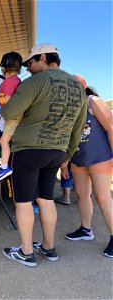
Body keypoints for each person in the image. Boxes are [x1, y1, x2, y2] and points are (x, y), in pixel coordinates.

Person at [0, 43, 87, 267]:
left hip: (28, 150)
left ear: (44, 58)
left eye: (30, 62)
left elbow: (9, 112)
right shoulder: (78, 86)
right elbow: (78, 126)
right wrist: (67, 153)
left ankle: (26, 252)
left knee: (23, 202)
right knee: (46, 199)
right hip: (57, 151)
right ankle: (48, 247)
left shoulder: (34, 82)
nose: (27, 68)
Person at [64, 75, 113, 258]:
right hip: (79, 159)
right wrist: (65, 163)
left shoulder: (93, 101)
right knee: (83, 194)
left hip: (99, 157)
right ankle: (86, 229)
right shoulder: (70, 109)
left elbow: (111, 127)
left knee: (102, 197)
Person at [0, 51, 23, 181]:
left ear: (3, 68)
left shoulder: (8, 81)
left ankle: (4, 167)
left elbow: (6, 100)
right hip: (20, 116)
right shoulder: (17, 80)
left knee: (3, 141)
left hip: (13, 116)